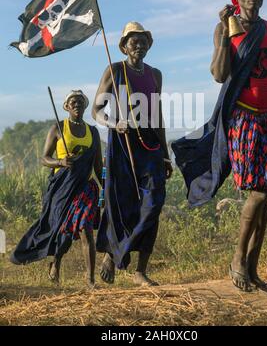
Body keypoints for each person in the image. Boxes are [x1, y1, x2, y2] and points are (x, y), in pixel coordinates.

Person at [172, 0, 267, 294]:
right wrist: (226, 35)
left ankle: (253, 269)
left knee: (266, 197)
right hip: (243, 118)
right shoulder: (228, 28)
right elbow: (218, 74)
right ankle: (238, 260)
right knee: (259, 191)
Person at [92, 21, 172, 286]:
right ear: (124, 46)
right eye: (133, 41)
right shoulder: (115, 70)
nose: (138, 45)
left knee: (154, 203)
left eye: (143, 41)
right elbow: (96, 110)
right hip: (122, 141)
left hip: (150, 145)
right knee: (122, 203)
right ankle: (113, 255)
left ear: (149, 45)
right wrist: (115, 123)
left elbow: (158, 115)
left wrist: (165, 153)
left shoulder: (155, 74)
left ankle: (137, 269)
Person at [10, 90, 103, 288]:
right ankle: (56, 262)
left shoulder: (93, 132)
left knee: (85, 230)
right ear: (67, 107)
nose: (77, 104)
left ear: (85, 106)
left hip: (85, 188)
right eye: (73, 102)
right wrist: (60, 161)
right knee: (64, 232)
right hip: (62, 188)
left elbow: (97, 166)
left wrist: (107, 188)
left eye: (80, 101)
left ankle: (90, 280)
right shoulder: (58, 128)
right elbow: (44, 158)